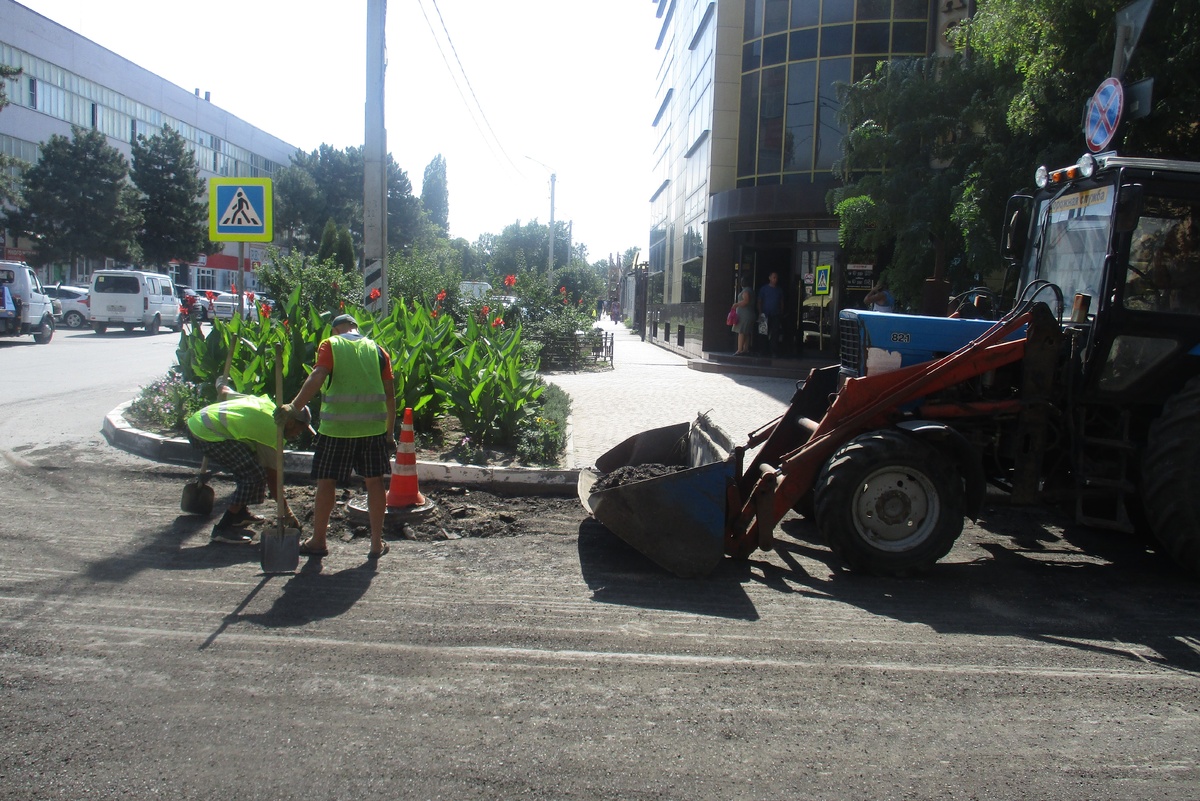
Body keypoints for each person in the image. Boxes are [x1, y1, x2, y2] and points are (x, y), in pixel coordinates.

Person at [276, 314, 397, 560]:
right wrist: (389, 432)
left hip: (336, 430)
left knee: (326, 481)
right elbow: (390, 395)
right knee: (374, 483)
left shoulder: (331, 344)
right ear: (356, 328)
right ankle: (375, 544)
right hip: (372, 430)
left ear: (335, 329)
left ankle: (318, 541)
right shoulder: (378, 351)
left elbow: (317, 376)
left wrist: (294, 407)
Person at [187, 386, 310, 544]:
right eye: (300, 430)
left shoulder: (267, 404)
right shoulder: (273, 433)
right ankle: (223, 528)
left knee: (251, 463)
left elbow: (227, 393)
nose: (298, 435)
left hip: (197, 422)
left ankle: (240, 514)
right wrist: (287, 512)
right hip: (205, 434)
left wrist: (221, 387)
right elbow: (274, 479)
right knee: (254, 475)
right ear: (291, 423)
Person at [756, 271, 784, 357]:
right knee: (763, 332)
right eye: (774, 277)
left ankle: (773, 351)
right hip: (765, 314)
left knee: (775, 333)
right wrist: (760, 313)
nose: (775, 279)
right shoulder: (764, 289)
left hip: (775, 314)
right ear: (770, 278)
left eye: (776, 278)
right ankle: (762, 351)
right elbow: (759, 301)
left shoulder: (779, 290)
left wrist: (781, 312)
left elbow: (781, 302)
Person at [733, 280, 755, 355]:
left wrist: (736, 305)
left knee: (741, 331)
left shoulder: (746, 291)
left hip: (744, 315)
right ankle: (745, 349)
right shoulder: (751, 290)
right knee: (746, 332)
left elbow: (746, 301)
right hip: (750, 314)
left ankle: (739, 350)